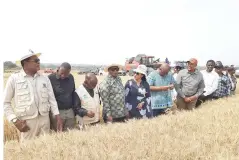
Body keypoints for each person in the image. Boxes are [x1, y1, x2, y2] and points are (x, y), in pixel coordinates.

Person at [3, 50, 62, 142]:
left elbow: (52, 100)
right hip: (27, 123)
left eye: (39, 60)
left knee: (46, 150)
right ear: (25, 63)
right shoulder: (14, 79)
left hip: (44, 121)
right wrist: (15, 121)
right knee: (28, 152)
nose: (39, 62)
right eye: (36, 60)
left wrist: (58, 117)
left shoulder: (44, 79)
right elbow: (5, 103)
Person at [48, 62, 76, 131]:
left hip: (70, 112)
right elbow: (48, 97)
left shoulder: (71, 77)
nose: (63, 76)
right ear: (58, 69)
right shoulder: (50, 78)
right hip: (57, 112)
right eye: (62, 73)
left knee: (71, 134)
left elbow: (73, 93)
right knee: (58, 133)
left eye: (66, 74)